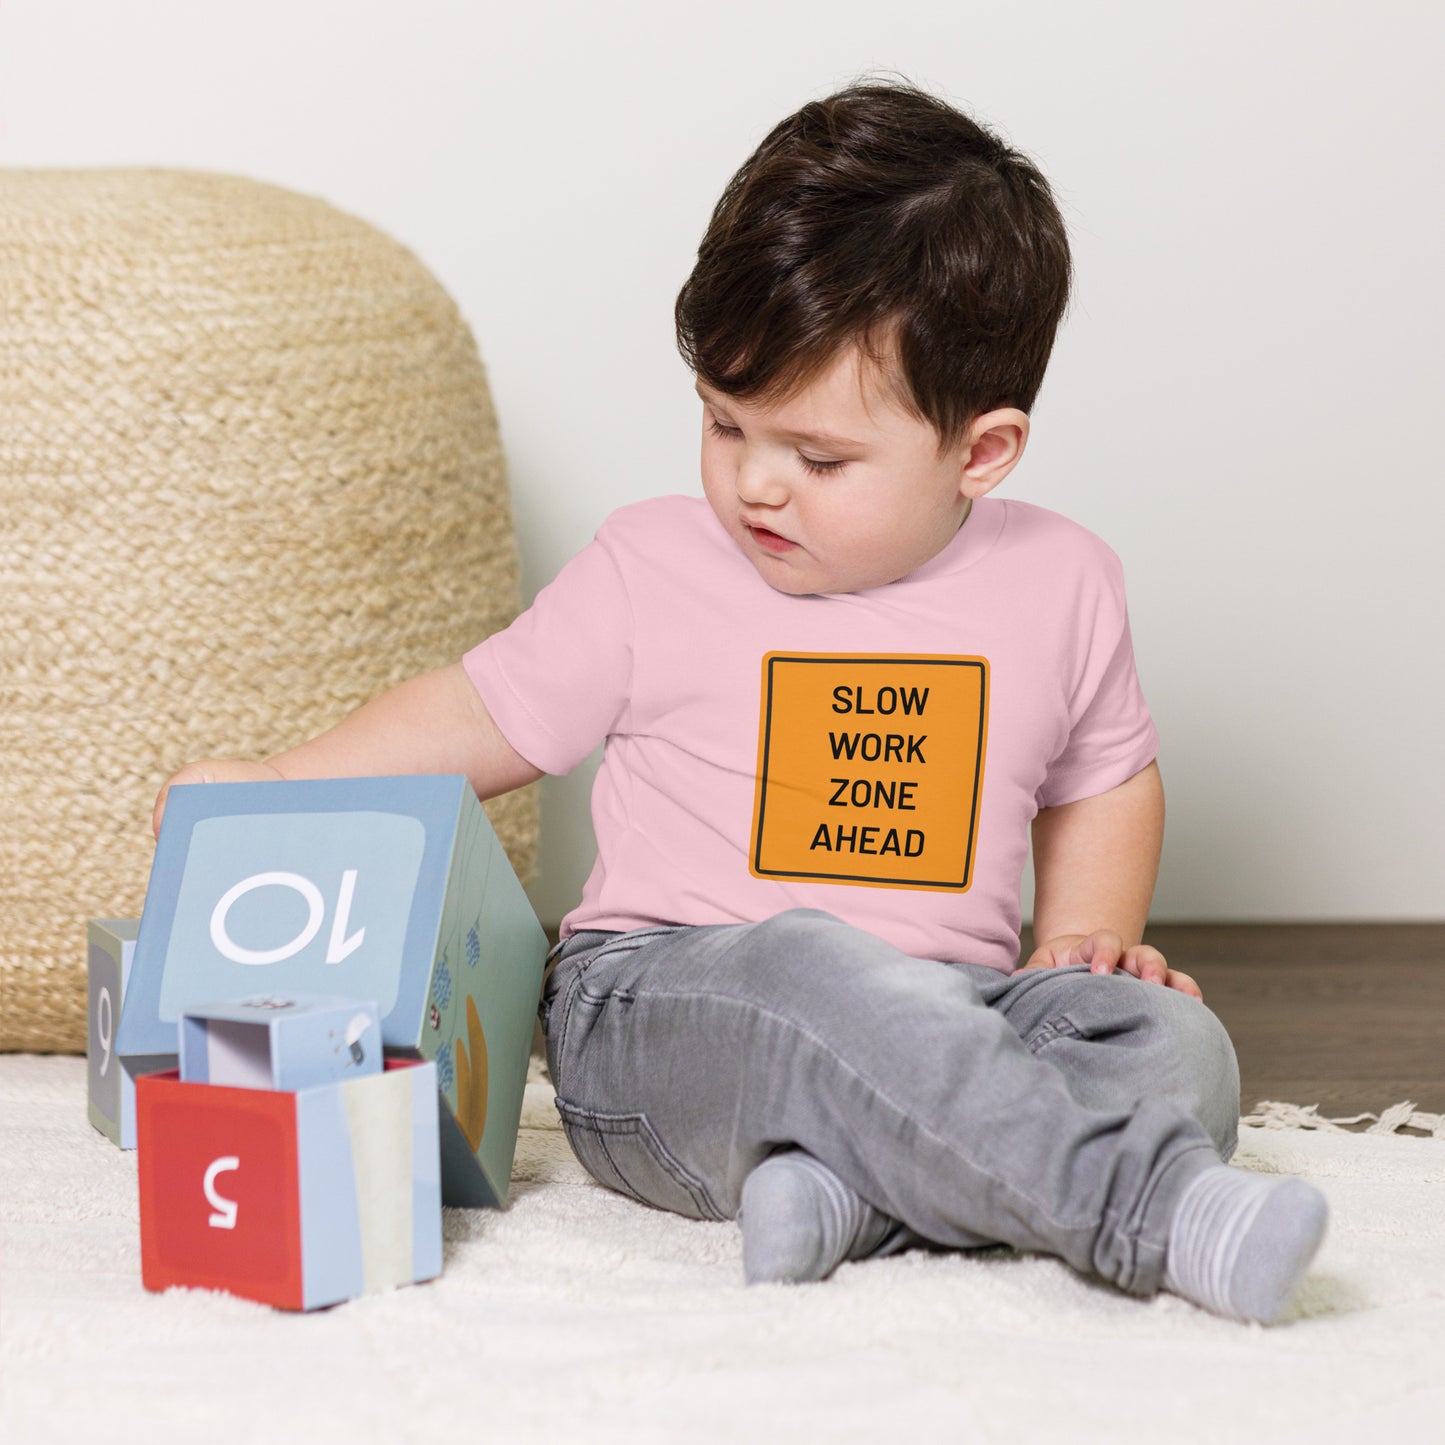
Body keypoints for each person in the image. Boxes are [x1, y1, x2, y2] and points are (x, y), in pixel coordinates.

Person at [154, 77, 1328, 1324]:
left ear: (978, 452)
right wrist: (279, 786)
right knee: (808, 964)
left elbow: (1103, 772)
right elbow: (477, 712)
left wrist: (1076, 943)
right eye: (724, 423)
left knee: (1172, 1044)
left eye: (817, 457)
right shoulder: (648, 567)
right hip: (667, 1006)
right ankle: (1134, 1207)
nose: (755, 484)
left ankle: (852, 1196)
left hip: (956, 1007)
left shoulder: (1062, 580)